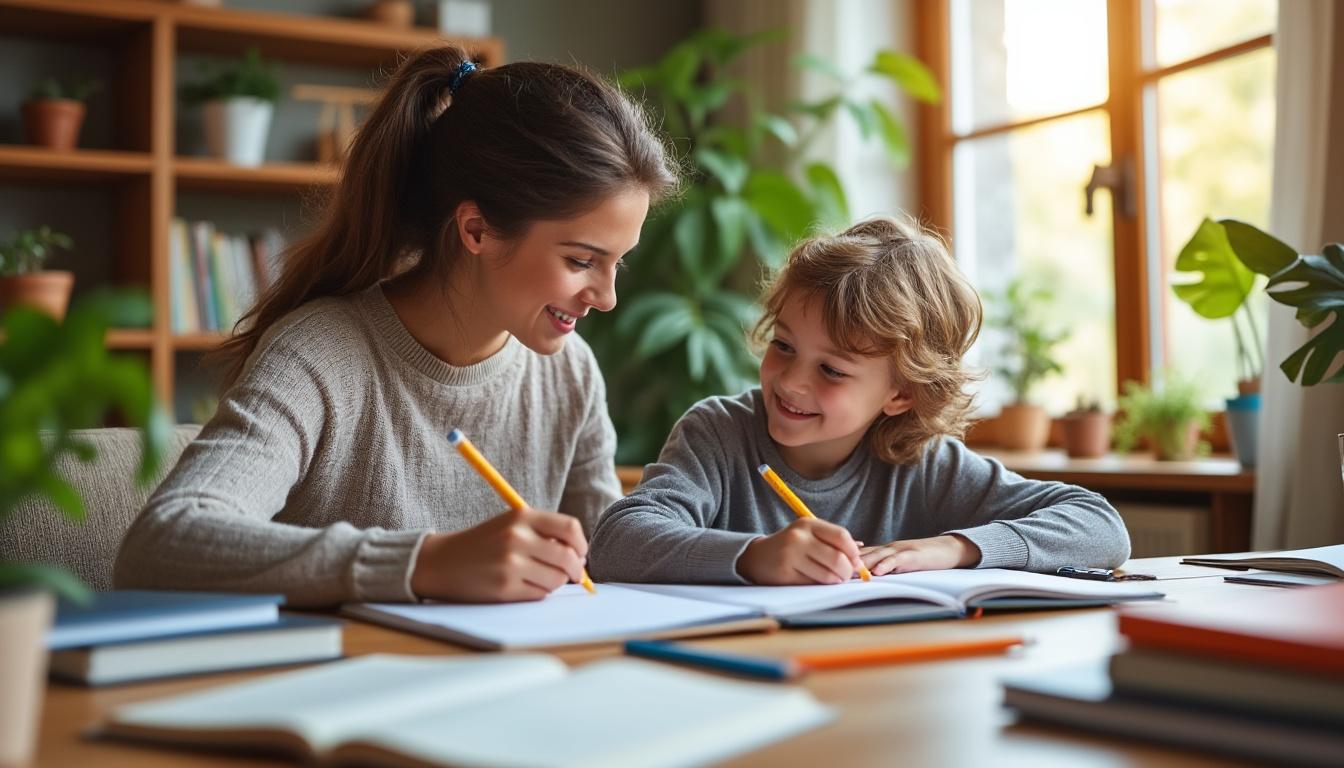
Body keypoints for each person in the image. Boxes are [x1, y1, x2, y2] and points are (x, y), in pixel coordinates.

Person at [115, 48, 677, 606]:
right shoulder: (319, 355)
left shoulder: (569, 372)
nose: (606, 298)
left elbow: (605, 567)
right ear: (477, 230)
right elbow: (163, 542)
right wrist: (425, 563)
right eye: (581, 261)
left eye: (616, 263)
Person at [588, 216, 1130, 585]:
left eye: (832, 369)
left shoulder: (920, 463)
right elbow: (616, 541)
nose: (792, 382)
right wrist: (754, 556)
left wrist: (952, 548)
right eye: (783, 346)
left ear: (901, 394)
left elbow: (1099, 525)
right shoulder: (719, 433)